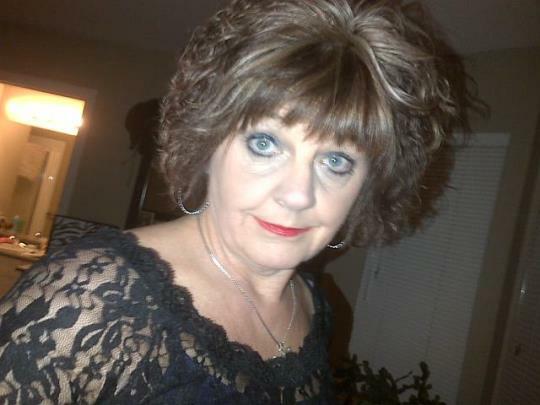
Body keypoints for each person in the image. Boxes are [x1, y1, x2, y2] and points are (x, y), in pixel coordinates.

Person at [0, 0, 475, 403]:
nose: (298, 194)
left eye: (336, 161)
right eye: (265, 144)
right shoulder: (85, 302)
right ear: (207, 145)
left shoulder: (317, 307)